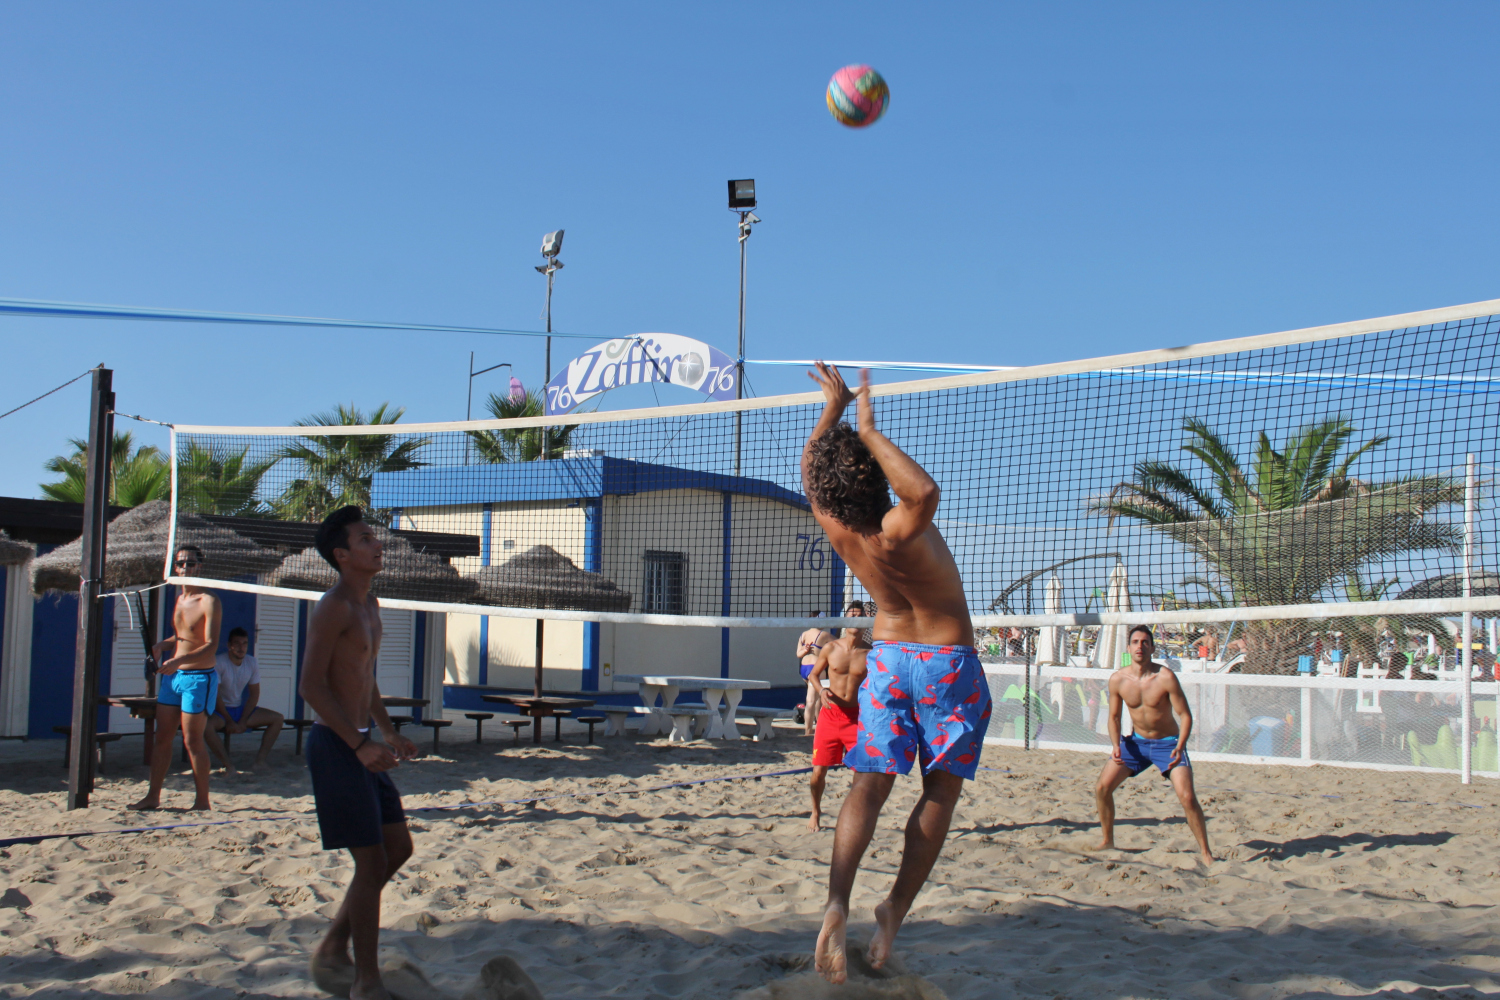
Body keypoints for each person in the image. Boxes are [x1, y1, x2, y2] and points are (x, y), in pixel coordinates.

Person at [801, 363, 991, 984]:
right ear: (875, 475)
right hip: (945, 663)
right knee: (939, 790)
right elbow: (925, 491)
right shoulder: (898, 529)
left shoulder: (839, 528)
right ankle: (894, 908)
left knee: (868, 785)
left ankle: (837, 901)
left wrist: (831, 413)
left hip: (887, 660)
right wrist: (868, 428)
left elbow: (811, 471)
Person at [298, 506, 419, 1000]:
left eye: (376, 537)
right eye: (366, 538)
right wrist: (359, 743)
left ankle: (332, 947)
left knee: (399, 850)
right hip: (335, 744)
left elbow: (363, 679)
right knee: (370, 864)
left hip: (362, 742)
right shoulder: (335, 607)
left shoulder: (371, 604)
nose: (378, 543)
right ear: (342, 555)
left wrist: (387, 731)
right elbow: (309, 686)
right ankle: (366, 984)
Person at [1094, 625, 1213, 864]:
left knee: (1187, 797)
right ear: (1128, 648)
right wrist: (1116, 744)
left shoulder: (1165, 677)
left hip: (1167, 744)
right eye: (1135, 642)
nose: (1140, 646)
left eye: (1145, 642)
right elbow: (1114, 717)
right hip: (1135, 744)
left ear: (1152, 647)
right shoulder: (1118, 679)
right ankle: (1108, 840)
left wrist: (1180, 745)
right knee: (1102, 788)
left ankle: (1205, 853)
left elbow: (1186, 715)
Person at [130, 545, 222, 811]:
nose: (185, 568)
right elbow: (183, 637)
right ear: (175, 567)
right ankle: (153, 796)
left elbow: (211, 644)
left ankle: (202, 801)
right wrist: (161, 646)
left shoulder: (209, 600)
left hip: (198, 677)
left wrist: (179, 660)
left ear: (199, 566)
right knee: (162, 737)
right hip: (174, 677)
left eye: (191, 563)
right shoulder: (180, 599)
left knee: (192, 740)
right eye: (181, 564)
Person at [805, 601, 871, 831]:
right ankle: (815, 811)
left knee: (862, 774)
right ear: (845, 621)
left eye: (859, 615)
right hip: (830, 716)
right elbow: (814, 675)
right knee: (818, 773)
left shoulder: (870, 654)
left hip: (856, 718)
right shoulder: (831, 649)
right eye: (851, 614)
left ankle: (853, 817)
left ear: (865, 623)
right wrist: (822, 689)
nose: (855, 618)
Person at [204, 626, 285, 769]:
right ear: (229, 646)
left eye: (245, 643)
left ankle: (260, 761)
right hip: (219, 711)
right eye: (237, 643)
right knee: (206, 726)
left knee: (277, 718)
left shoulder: (251, 662)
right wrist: (229, 721)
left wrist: (242, 721)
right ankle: (228, 765)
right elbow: (215, 696)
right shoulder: (218, 662)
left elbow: (254, 695)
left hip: (239, 709)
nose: (241, 647)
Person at [797, 612, 836, 736]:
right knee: (811, 701)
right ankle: (808, 732)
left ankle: (818, 727)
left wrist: (804, 650)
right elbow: (840, 643)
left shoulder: (803, 635)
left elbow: (798, 654)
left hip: (804, 668)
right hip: (815, 669)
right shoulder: (823, 635)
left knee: (818, 698)